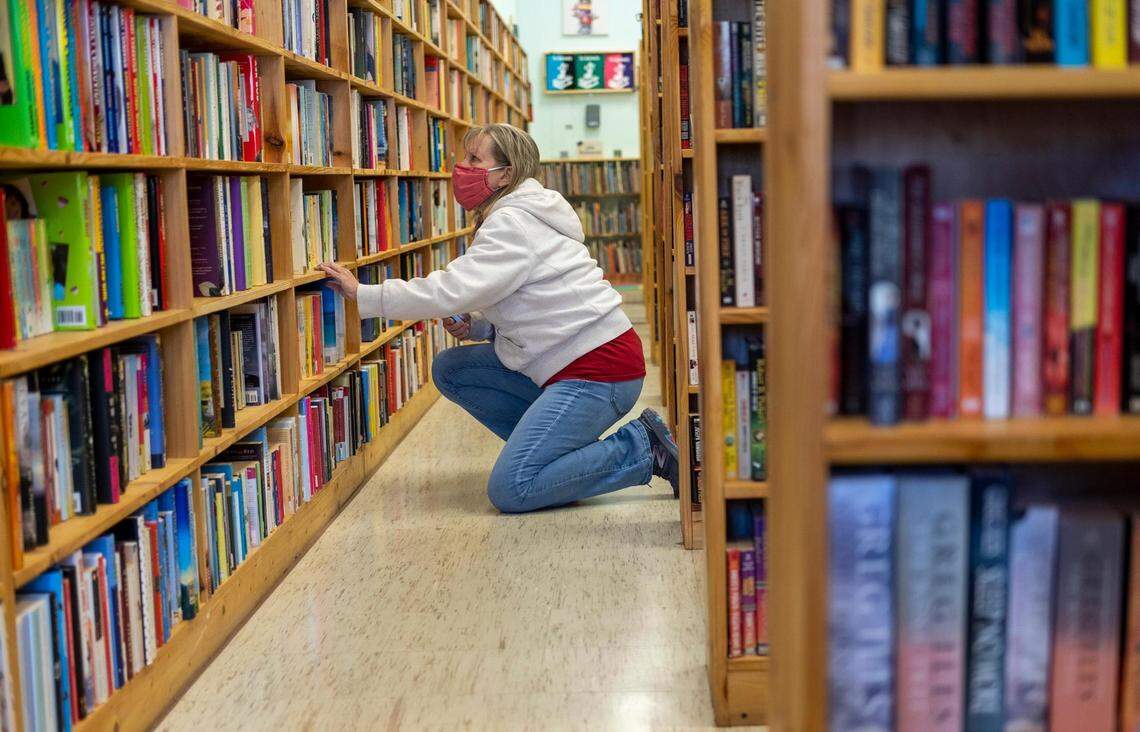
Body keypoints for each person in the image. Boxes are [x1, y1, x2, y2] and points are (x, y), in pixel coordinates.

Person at [318, 123, 679, 513]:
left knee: (513, 489)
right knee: (452, 368)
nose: (462, 167)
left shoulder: (513, 223)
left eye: (475, 159)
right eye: (465, 157)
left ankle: (643, 447)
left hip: (598, 370)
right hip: (568, 360)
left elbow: (451, 289)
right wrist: (479, 327)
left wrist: (365, 294)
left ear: (505, 173)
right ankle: (556, 459)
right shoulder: (517, 214)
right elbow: (532, 302)